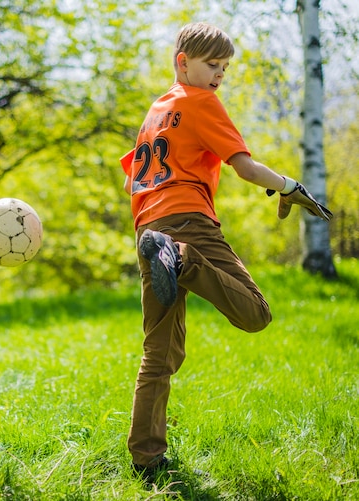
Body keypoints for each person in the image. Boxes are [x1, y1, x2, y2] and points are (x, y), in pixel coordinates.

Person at [120, 22, 332, 485]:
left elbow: (131, 178)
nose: (219, 75)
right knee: (256, 313)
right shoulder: (201, 102)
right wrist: (291, 187)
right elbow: (244, 166)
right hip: (189, 225)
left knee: (159, 352)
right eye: (211, 65)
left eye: (225, 67)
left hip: (148, 228)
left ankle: (146, 460)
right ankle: (183, 260)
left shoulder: (156, 111)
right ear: (183, 62)